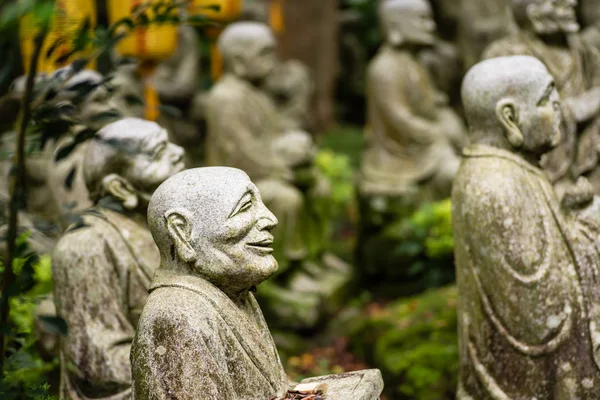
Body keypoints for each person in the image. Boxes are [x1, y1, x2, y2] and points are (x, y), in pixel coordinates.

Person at [454, 55, 600, 399]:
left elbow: (543, 245)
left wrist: (567, 212)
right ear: (510, 118)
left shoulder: (510, 168)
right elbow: (542, 307)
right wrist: (592, 230)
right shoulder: (497, 187)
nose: (559, 108)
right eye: (547, 99)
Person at [52, 118, 185, 400]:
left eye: (169, 142)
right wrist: (189, 369)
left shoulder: (171, 225)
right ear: (120, 187)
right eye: (157, 152)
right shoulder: (86, 245)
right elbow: (98, 365)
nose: (178, 152)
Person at [131, 167, 288, 400]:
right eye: (245, 207)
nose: (270, 219)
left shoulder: (235, 294)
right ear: (181, 231)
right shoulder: (177, 315)